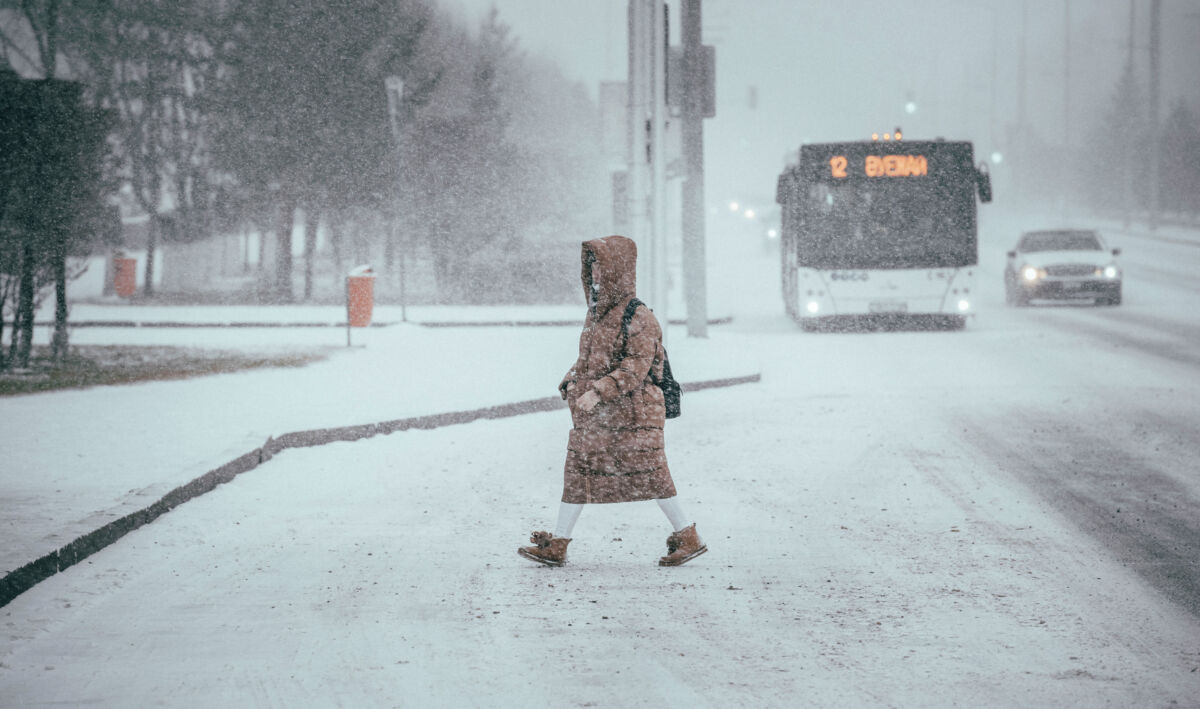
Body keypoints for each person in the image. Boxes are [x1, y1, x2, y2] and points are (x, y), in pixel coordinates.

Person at [518, 235, 707, 568]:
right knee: (578, 472)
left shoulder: (639, 316)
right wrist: (573, 377)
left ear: (617, 269)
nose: (594, 273)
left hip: (633, 413)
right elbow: (592, 359)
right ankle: (558, 543)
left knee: (652, 474)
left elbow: (636, 366)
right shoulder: (595, 314)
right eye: (590, 266)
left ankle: (687, 535)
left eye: (600, 266)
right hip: (600, 415)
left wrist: (598, 391)